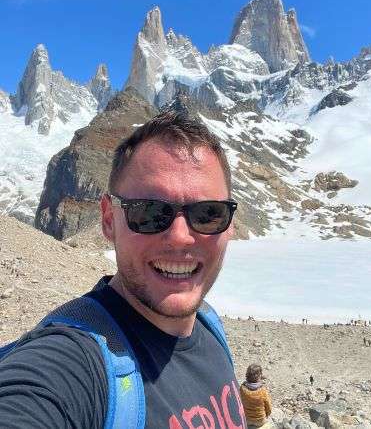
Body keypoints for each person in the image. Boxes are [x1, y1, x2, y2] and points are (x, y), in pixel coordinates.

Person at [0, 110, 246, 428]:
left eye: (209, 213)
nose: (180, 237)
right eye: (149, 212)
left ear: (229, 226)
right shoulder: (75, 362)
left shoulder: (210, 326)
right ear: (107, 220)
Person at [240, 363, 273, 428]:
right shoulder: (262, 391)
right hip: (260, 420)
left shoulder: (242, 388)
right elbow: (268, 406)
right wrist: (267, 415)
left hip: (247, 419)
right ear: (259, 376)